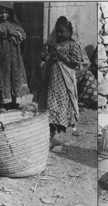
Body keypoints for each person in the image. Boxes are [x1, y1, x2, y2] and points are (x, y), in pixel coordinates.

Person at [38, 16, 83, 144]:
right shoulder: (53, 44)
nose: (59, 34)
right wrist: (45, 54)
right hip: (50, 78)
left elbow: (76, 62)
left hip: (64, 80)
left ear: (70, 31)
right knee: (49, 100)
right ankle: (50, 130)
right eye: (57, 31)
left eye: (62, 31)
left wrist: (59, 54)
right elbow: (44, 59)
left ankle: (58, 128)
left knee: (61, 101)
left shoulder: (73, 45)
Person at [0, 3, 29, 111]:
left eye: (5, 12)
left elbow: (23, 35)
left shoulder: (14, 24)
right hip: (2, 57)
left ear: (10, 13)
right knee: (2, 78)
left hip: (15, 57)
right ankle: (2, 103)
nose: (3, 15)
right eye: (0, 13)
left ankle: (17, 101)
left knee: (16, 77)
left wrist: (15, 33)